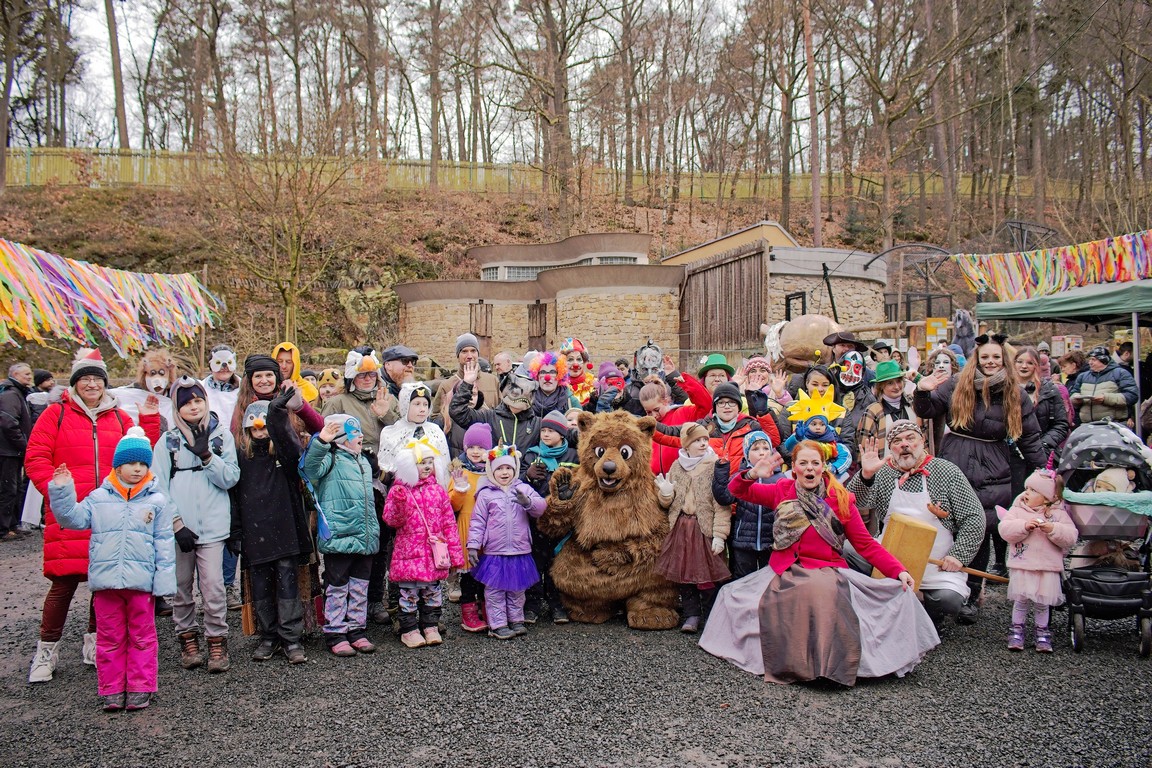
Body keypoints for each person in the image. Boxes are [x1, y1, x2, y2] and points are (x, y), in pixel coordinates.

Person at [700, 441, 937, 686]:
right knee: (730, 594)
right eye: (803, 463)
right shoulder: (782, 489)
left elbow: (865, 544)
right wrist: (751, 474)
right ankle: (797, 665)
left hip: (827, 570)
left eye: (815, 463)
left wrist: (899, 571)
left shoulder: (841, 499)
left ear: (824, 467)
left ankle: (825, 668)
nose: (809, 468)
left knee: (818, 591)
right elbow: (735, 491)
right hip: (785, 569)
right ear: (794, 468)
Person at [24, 349, 161, 684]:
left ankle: (95, 643)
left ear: (104, 382)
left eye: (96, 378)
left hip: (110, 513)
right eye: (84, 378)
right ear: (74, 383)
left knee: (105, 584)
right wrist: (57, 492)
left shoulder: (118, 418)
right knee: (64, 582)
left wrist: (150, 421)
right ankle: (47, 649)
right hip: (68, 512)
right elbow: (36, 456)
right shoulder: (55, 415)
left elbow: (140, 453)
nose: (91, 384)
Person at [912, 333, 1047, 623]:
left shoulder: (1014, 392)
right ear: (977, 358)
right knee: (945, 523)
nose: (990, 362)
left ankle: (972, 594)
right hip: (954, 458)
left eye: (996, 357)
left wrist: (1043, 472)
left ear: (1003, 360)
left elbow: (1030, 436)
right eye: (985, 357)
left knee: (980, 527)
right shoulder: (957, 383)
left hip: (994, 463)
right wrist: (921, 391)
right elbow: (927, 409)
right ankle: (942, 587)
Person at [47, 427, 175, 712]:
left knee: (143, 637)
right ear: (117, 465)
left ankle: (141, 687)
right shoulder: (98, 498)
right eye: (131, 463)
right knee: (110, 637)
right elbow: (72, 519)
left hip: (141, 584)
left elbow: (164, 543)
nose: (138, 469)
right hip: (106, 584)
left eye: (143, 463)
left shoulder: (157, 501)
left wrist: (164, 583)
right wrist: (62, 489)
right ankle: (112, 688)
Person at [847, 423, 986, 625]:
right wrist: (865, 476)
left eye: (910, 438)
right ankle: (882, 602)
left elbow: (974, 517)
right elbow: (854, 501)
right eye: (897, 441)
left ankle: (930, 617)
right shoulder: (884, 471)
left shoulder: (946, 471)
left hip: (936, 563)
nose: (904, 445)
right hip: (889, 557)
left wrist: (959, 555)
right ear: (890, 448)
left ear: (922, 441)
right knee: (847, 550)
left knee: (948, 600)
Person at [153, 376, 240, 674]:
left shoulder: (221, 437)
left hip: (214, 526)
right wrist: (176, 524)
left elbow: (230, 477)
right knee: (181, 586)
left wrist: (206, 455)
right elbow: (158, 486)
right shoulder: (167, 442)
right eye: (186, 402)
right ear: (177, 407)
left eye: (198, 400)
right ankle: (187, 638)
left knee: (214, 586)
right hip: (180, 529)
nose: (193, 406)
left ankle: (217, 639)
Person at [228, 389, 312, 665]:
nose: (260, 430)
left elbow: (291, 446)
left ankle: (291, 638)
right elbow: (235, 498)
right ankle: (269, 636)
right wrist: (236, 531)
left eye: (265, 424)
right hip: (256, 534)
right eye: (255, 425)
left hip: (285, 530)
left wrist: (277, 416)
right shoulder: (241, 458)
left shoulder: (286, 458)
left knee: (287, 584)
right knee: (261, 586)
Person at [304, 415, 379, 657]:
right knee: (337, 585)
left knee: (360, 585)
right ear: (342, 439)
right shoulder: (331, 458)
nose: (360, 438)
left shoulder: (364, 461)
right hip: (340, 535)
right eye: (355, 434)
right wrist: (321, 443)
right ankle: (335, 631)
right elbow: (310, 469)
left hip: (364, 536)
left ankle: (356, 629)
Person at [383, 440, 466, 648]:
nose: (427, 467)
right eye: (422, 463)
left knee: (432, 592)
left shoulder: (438, 490)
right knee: (409, 594)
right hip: (409, 553)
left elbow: (448, 523)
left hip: (433, 554)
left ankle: (430, 626)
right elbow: (392, 520)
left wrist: (455, 555)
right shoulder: (400, 491)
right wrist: (399, 502)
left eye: (430, 462)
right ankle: (409, 629)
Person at [654, 423, 731, 633]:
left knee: (706, 577)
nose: (703, 443)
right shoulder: (677, 466)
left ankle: (713, 616)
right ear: (686, 444)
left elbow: (721, 505)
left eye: (705, 439)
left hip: (703, 529)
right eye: (697, 440)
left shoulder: (714, 466)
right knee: (684, 576)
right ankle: (692, 615)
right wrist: (666, 493)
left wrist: (719, 535)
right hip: (680, 528)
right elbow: (667, 503)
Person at [467, 444, 546, 640]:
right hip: (495, 551)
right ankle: (498, 624)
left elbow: (541, 508)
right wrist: (473, 546)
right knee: (495, 590)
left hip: (519, 550)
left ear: (515, 469)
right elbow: (478, 522)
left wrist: (527, 502)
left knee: (517, 589)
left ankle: (516, 619)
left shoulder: (523, 488)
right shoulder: (486, 494)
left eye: (508, 468)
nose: (504, 472)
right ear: (492, 471)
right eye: (500, 468)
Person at [997, 467, 1077, 652]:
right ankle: (1017, 629)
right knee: (1021, 600)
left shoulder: (1058, 514)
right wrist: (1023, 526)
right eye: (1027, 488)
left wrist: (1053, 529)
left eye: (1034, 490)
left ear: (1048, 498)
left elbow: (1071, 536)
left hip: (1046, 568)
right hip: (1023, 565)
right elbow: (1005, 530)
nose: (1026, 493)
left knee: (1043, 603)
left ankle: (1042, 631)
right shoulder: (1018, 510)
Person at [521, 410, 579, 624]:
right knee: (535, 563)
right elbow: (517, 483)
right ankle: (532, 606)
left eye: (551, 431)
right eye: (543, 430)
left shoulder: (573, 455)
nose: (545, 434)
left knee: (557, 564)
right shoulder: (531, 454)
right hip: (537, 521)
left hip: (563, 522)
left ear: (562, 434)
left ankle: (557, 605)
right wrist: (527, 475)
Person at [712, 431, 783, 579]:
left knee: (768, 579)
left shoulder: (779, 478)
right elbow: (725, 498)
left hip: (770, 540)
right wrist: (721, 471)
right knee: (743, 578)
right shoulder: (740, 477)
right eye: (755, 449)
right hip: (744, 540)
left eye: (765, 448)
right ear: (746, 453)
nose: (762, 453)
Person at [449, 424, 495, 633]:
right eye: (472, 447)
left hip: (489, 530)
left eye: (481, 447)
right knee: (468, 575)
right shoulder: (460, 472)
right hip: (467, 528)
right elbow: (453, 505)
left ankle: (486, 607)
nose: (476, 451)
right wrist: (459, 488)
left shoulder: (492, 472)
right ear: (465, 448)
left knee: (485, 573)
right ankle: (468, 611)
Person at [451, 359, 540, 454]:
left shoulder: (537, 425)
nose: (518, 394)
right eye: (515, 390)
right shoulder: (489, 418)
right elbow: (458, 412)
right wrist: (467, 384)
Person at [321, 348, 396, 458]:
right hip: (353, 465)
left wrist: (386, 415)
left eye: (372, 374)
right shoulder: (337, 403)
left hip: (388, 464)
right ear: (352, 377)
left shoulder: (389, 399)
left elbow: (404, 431)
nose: (368, 379)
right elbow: (323, 438)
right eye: (361, 375)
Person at [431, 333, 501, 442]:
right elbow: (434, 419)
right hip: (457, 445)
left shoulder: (492, 381)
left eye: (473, 351)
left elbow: (500, 413)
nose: (469, 356)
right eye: (464, 351)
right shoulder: (447, 385)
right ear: (458, 355)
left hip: (488, 444)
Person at [855, 359, 917, 458]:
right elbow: (864, 448)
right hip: (885, 468)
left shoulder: (913, 403)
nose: (896, 387)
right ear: (881, 386)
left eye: (898, 381)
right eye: (890, 383)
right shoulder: (873, 411)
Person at [0, 363, 33, 540]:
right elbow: (9, 422)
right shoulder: (11, 394)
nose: (29, 377)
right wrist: (23, 444)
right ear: (15, 374)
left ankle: (12, 524)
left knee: (13, 488)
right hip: (8, 451)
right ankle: (3, 529)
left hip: (12, 450)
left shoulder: (17, 393)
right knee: (8, 488)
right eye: (26, 374)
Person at [1068, 345, 1138, 424]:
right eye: (1090, 359)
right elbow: (1073, 394)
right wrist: (1075, 399)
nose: (1090, 362)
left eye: (1093, 360)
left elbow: (1132, 396)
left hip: (1114, 424)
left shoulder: (1120, 373)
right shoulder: (1083, 376)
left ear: (1104, 360)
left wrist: (1106, 398)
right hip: (1087, 425)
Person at [528, 351, 579, 417]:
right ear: (537, 376)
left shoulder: (571, 402)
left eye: (552, 372)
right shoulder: (528, 400)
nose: (547, 377)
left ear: (560, 375)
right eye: (543, 372)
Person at [560, 337, 595, 407]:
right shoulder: (558, 387)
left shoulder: (594, 385)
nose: (575, 364)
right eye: (570, 360)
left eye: (579, 359)